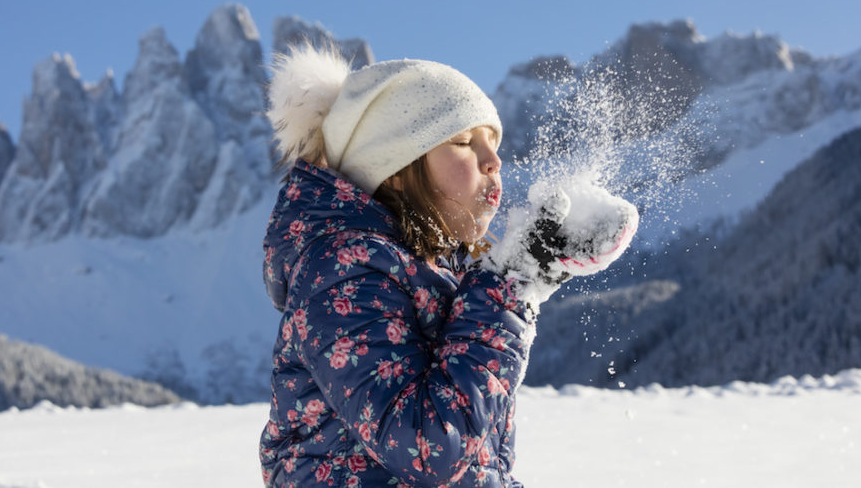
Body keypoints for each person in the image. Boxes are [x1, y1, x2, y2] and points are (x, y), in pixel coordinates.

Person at [259, 46, 638, 487]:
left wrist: (528, 275)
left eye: (493, 144)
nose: (493, 161)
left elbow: (476, 462)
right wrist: (507, 288)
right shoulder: (343, 270)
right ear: (396, 169)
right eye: (462, 142)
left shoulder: (442, 279)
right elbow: (426, 447)